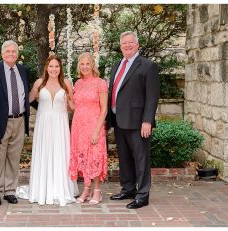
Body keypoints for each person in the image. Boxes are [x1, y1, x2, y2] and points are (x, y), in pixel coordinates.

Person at [107, 31, 161, 209]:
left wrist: (148, 121)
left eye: (131, 42)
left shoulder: (147, 66)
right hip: (119, 120)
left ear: (137, 45)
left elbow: (152, 97)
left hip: (138, 122)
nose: (127, 45)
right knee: (124, 158)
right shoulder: (117, 65)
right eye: (124, 43)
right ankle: (128, 188)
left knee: (141, 159)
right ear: (120, 46)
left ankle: (143, 194)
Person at [23, 54, 78, 206]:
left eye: (57, 66)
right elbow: (27, 100)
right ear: (46, 67)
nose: (54, 69)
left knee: (61, 153)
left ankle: (61, 189)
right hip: (44, 124)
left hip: (60, 124)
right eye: (51, 66)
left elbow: (73, 106)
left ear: (60, 68)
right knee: (45, 152)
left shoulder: (67, 83)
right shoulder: (39, 83)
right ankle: (42, 189)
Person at [0, 40, 32, 206]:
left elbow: (26, 95)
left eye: (14, 51)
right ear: (2, 54)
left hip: (19, 120)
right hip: (1, 121)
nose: (12, 54)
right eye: (8, 52)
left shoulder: (22, 70)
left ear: (17, 54)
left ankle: (10, 190)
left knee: (14, 158)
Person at [69, 53, 109, 205]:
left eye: (87, 64)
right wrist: (65, 95)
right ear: (79, 66)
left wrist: (97, 130)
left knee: (94, 157)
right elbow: (75, 107)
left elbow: (104, 108)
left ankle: (97, 190)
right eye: (82, 64)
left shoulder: (100, 83)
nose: (85, 66)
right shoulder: (78, 83)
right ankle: (86, 189)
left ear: (93, 65)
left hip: (94, 125)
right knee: (83, 158)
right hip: (78, 127)